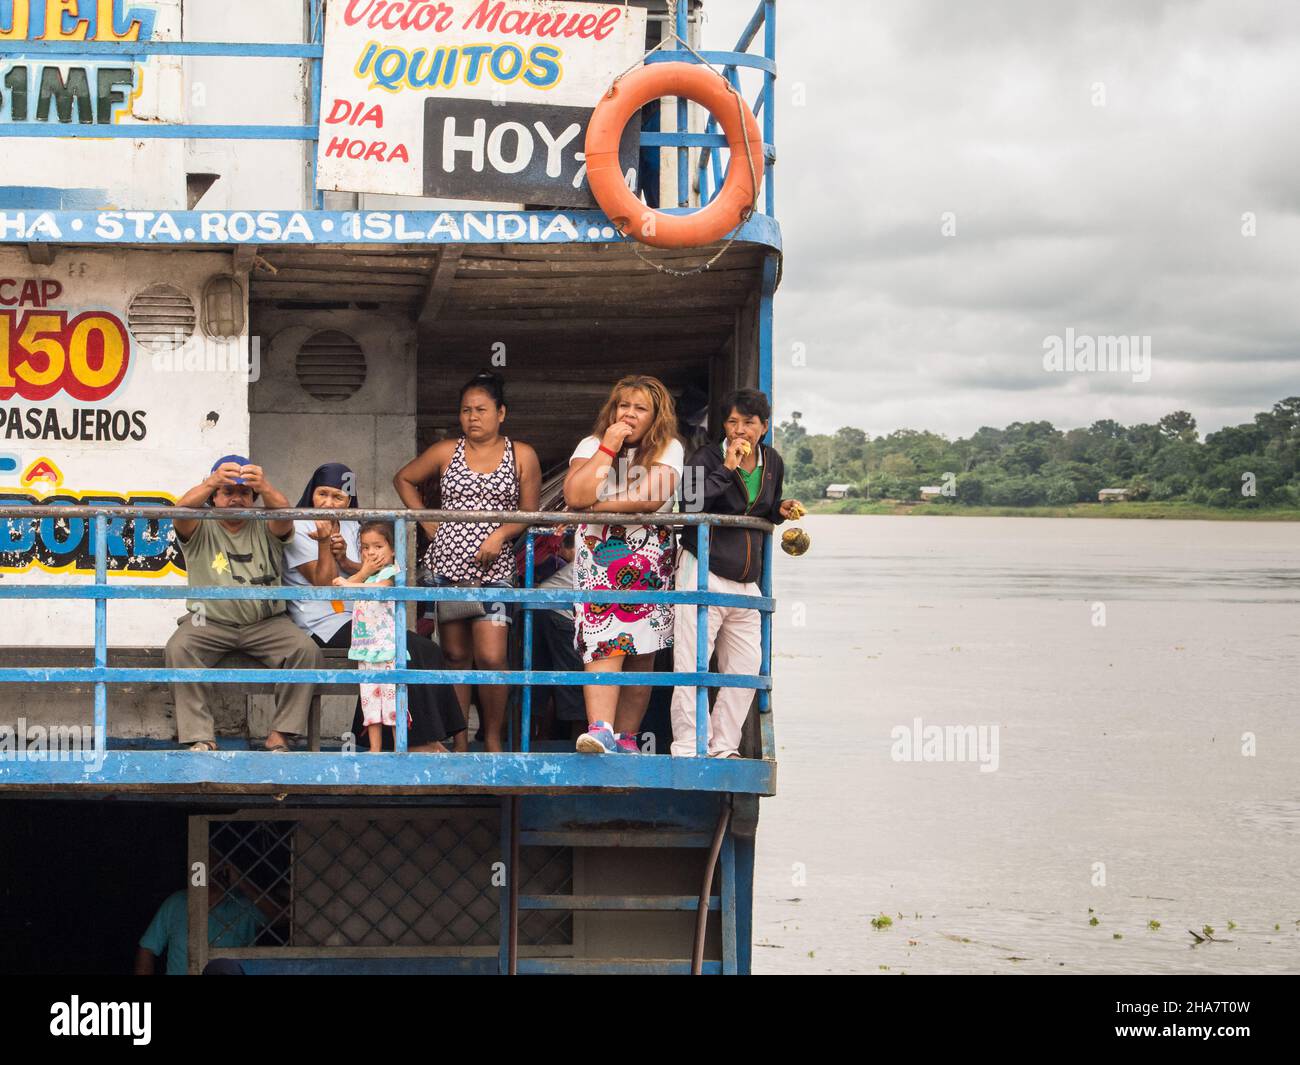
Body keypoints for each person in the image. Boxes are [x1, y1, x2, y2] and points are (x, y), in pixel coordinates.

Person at [394, 371, 541, 752]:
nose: (472, 417)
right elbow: (404, 479)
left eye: (481, 409)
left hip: (494, 570)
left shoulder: (521, 454)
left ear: (501, 413)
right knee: (454, 656)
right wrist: (426, 521)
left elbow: (530, 512)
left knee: (492, 657)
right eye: (465, 410)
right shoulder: (446, 451)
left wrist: (500, 535)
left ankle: (491, 738)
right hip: (446, 568)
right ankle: (459, 742)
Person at [286, 463, 466, 752]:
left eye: (338, 497)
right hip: (321, 622)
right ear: (311, 493)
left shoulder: (354, 525)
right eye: (322, 494)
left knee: (426, 648)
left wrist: (346, 561)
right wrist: (323, 544)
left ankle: (445, 737)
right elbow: (323, 585)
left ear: (349, 500)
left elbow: (372, 572)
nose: (329, 503)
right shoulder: (300, 525)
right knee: (405, 649)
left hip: (362, 616)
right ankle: (416, 742)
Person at [670, 389, 803, 758]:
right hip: (703, 570)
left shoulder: (772, 461)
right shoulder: (707, 456)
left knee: (744, 670)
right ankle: (688, 745)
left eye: (748, 422)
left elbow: (760, 507)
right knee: (693, 664)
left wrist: (781, 508)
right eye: (731, 422)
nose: (739, 430)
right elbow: (692, 503)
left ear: (764, 426)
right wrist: (727, 467)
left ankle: (724, 746)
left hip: (748, 580)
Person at [164, 455, 322, 752]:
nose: (236, 499)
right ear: (214, 497)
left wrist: (264, 484)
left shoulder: (266, 523)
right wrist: (212, 480)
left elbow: (285, 514)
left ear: (254, 498)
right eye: (228, 492)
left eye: (245, 493)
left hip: (267, 622)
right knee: (178, 649)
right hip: (206, 621)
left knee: (306, 652)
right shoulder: (200, 526)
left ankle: (281, 734)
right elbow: (181, 512)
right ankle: (201, 737)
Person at [563, 375, 683, 755]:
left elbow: (651, 498)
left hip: (648, 563)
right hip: (598, 563)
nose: (629, 414)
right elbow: (574, 493)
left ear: (656, 416)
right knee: (602, 644)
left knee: (642, 652)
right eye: (623, 406)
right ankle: (600, 731)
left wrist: (594, 507)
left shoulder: (669, 448)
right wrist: (608, 449)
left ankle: (628, 739)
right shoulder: (591, 445)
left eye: (640, 408)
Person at [135, 849, 273, 975]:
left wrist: (243, 883)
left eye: (213, 862)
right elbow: (147, 948)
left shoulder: (243, 904)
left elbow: (283, 918)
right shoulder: (176, 903)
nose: (206, 868)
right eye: (201, 862)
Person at [332, 522, 403, 753]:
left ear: (392, 549)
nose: (371, 553)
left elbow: (381, 589)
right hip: (365, 649)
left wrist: (352, 581)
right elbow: (338, 594)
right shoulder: (365, 576)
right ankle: (375, 750)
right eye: (365, 547)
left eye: (378, 546)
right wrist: (362, 573)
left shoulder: (392, 571)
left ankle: (398, 751)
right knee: (370, 703)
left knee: (392, 702)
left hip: (389, 649)